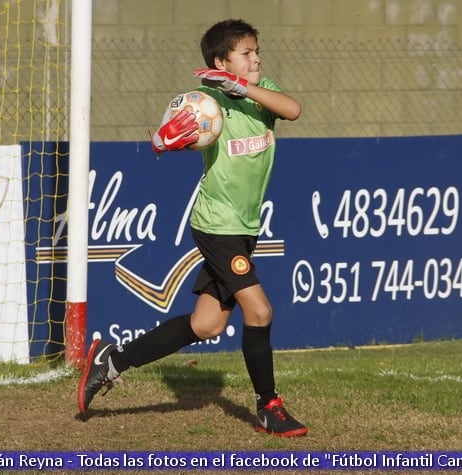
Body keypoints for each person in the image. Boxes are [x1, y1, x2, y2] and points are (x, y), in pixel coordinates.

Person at [79, 19, 307, 437]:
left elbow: (293, 110)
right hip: (217, 225)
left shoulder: (261, 93)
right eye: (245, 54)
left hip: (244, 226)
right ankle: (268, 407)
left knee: (207, 325)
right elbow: (182, 123)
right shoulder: (206, 102)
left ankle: (111, 361)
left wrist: (245, 87)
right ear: (221, 62)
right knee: (260, 311)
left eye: (257, 51)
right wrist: (170, 137)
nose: (256, 58)